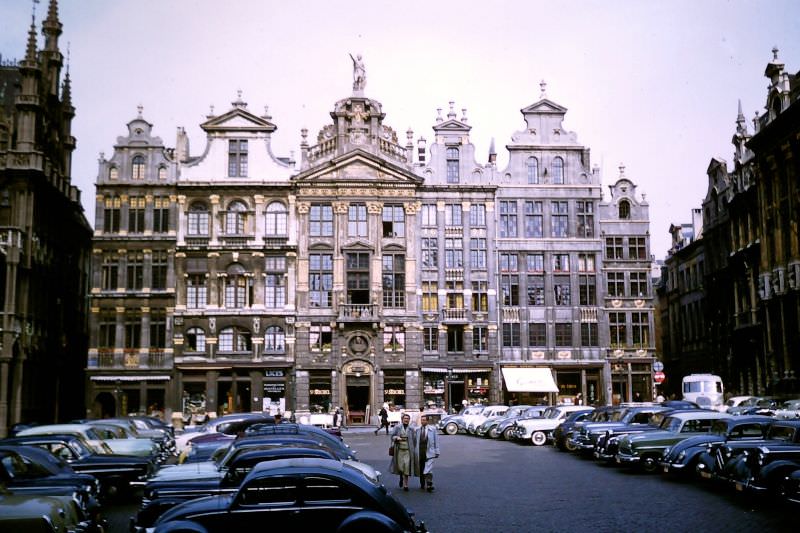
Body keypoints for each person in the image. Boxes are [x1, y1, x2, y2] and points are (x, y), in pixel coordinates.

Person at [412, 414, 440, 492]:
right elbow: (414, 441)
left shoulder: (433, 429)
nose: (422, 421)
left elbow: (436, 441)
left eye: (424, 420)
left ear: (427, 421)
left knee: (429, 469)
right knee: (421, 468)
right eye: (422, 420)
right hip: (420, 452)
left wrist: (437, 451)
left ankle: (429, 484)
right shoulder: (417, 430)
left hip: (430, 452)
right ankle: (422, 483)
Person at [389, 413, 413, 491]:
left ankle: (406, 485)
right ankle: (401, 477)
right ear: (402, 419)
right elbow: (392, 436)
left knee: (406, 467)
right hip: (399, 450)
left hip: (407, 450)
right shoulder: (397, 427)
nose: (406, 420)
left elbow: (414, 439)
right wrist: (396, 437)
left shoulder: (411, 428)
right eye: (405, 418)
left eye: (408, 418)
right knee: (400, 467)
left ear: (409, 420)